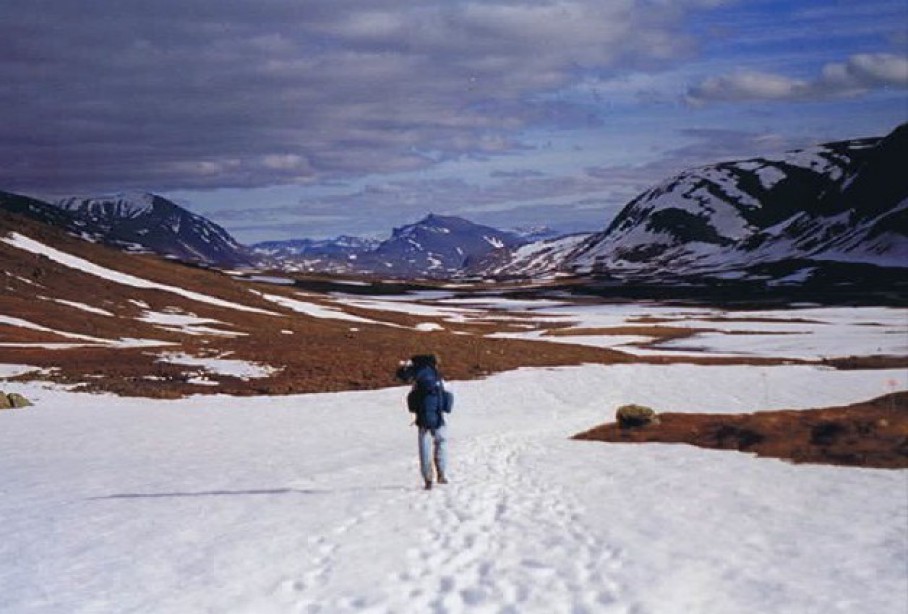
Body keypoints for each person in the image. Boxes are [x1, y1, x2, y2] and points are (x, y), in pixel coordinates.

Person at [396, 354, 452, 490]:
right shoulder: (435, 373)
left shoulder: (420, 370)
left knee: (425, 448)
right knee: (441, 443)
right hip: (439, 417)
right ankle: (442, 474)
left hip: (424, 418)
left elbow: (403, 377)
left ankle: (428, 479)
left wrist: (402, 368)